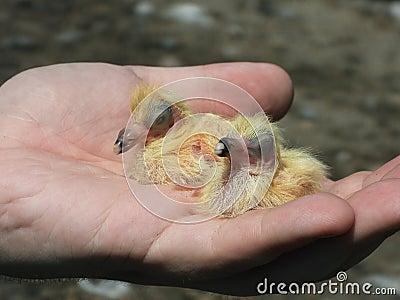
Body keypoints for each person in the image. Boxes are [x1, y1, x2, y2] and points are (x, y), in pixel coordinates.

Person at [0, 62, 398, 296]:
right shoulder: (156, 154)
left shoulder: (195, 134)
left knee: (249, 142)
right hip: (242, 174)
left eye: (148, 124)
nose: (131, 136)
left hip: (257, 172)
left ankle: (246, 155)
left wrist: (236, 152)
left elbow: (257, 148)